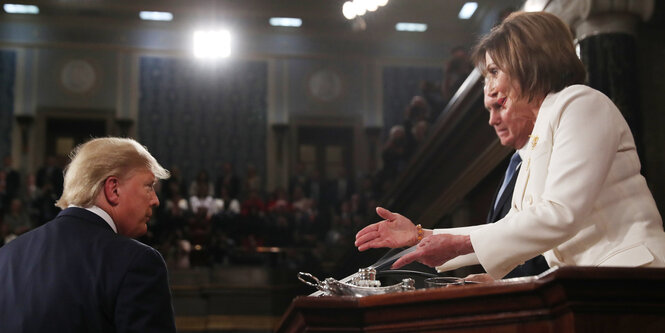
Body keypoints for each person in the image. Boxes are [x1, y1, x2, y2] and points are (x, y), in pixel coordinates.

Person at [355, 11, 665, 280]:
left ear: (527, 63)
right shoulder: (534, 141)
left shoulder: (580, 102)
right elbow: (514, 226)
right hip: (592, 285)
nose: (488, 88)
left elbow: (560, 213)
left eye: (493, 71)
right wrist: (423, 235)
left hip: (632, 276)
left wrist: (459, 245)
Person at [0, 137, 176, 332]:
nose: (155, 200)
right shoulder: (138, 262)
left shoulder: (6, 256)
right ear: (113, 189)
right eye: (149, 186)